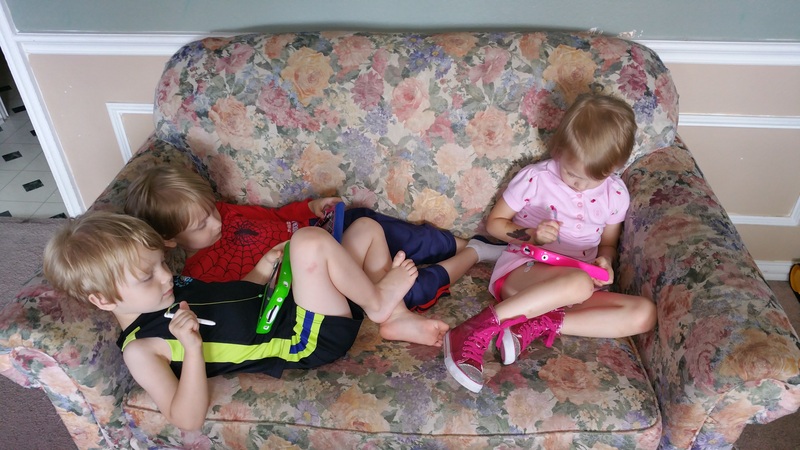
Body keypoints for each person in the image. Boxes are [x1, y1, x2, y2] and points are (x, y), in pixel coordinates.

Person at [43, 211, 419, 431]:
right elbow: (185, 418)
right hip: (304, 339)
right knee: (310, 241)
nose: (166, 276)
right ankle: (377, 304)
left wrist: (263, 270)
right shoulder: (142, 349)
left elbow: (231, 300)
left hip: (293, 303)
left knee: (366, 228)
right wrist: (192, 348)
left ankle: (395, 317)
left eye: (162, 264)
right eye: (147, 276)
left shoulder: (170, 290)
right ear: (103, 300)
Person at [123, 165, 505, 346]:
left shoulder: (229, 214)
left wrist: (310, 207)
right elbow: (240, 303)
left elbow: (276, 216)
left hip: (323, 252)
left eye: (211, 210)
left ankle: (396, 317)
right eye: (201, 224)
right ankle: (387, 299)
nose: (215, 221)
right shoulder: (200, 272)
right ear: (169, 239)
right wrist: (263, 268)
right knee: (411, 282)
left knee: (368, 228)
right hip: (305, 293)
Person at [443, 93, 657, 393]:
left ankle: (534, 325)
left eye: (592, 180)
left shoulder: (616, 194)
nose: (579, 185)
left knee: (645, 313)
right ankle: (472, 330)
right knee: (578, 284)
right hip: (523, 273)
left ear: (614, 167)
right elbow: (495, 224)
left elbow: (608, 245)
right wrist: (533, 236)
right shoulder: (536, 178)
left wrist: (605, 262)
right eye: (571, 173)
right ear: (559, 149)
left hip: (578, 286)